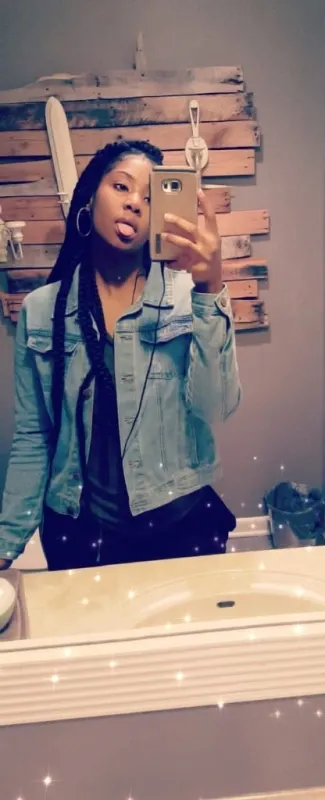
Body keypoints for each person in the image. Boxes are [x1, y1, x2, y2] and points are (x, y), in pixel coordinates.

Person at [0, 140, 241, 571]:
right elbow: (33, 436)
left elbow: (215, 407)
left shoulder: (189, 299)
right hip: (82, 535)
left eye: (150, 198)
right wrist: (6, 541)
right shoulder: (41, 311)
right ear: (90, 197)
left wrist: (210, 287)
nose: (133, 204)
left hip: (180, 525)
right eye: (121, 186)